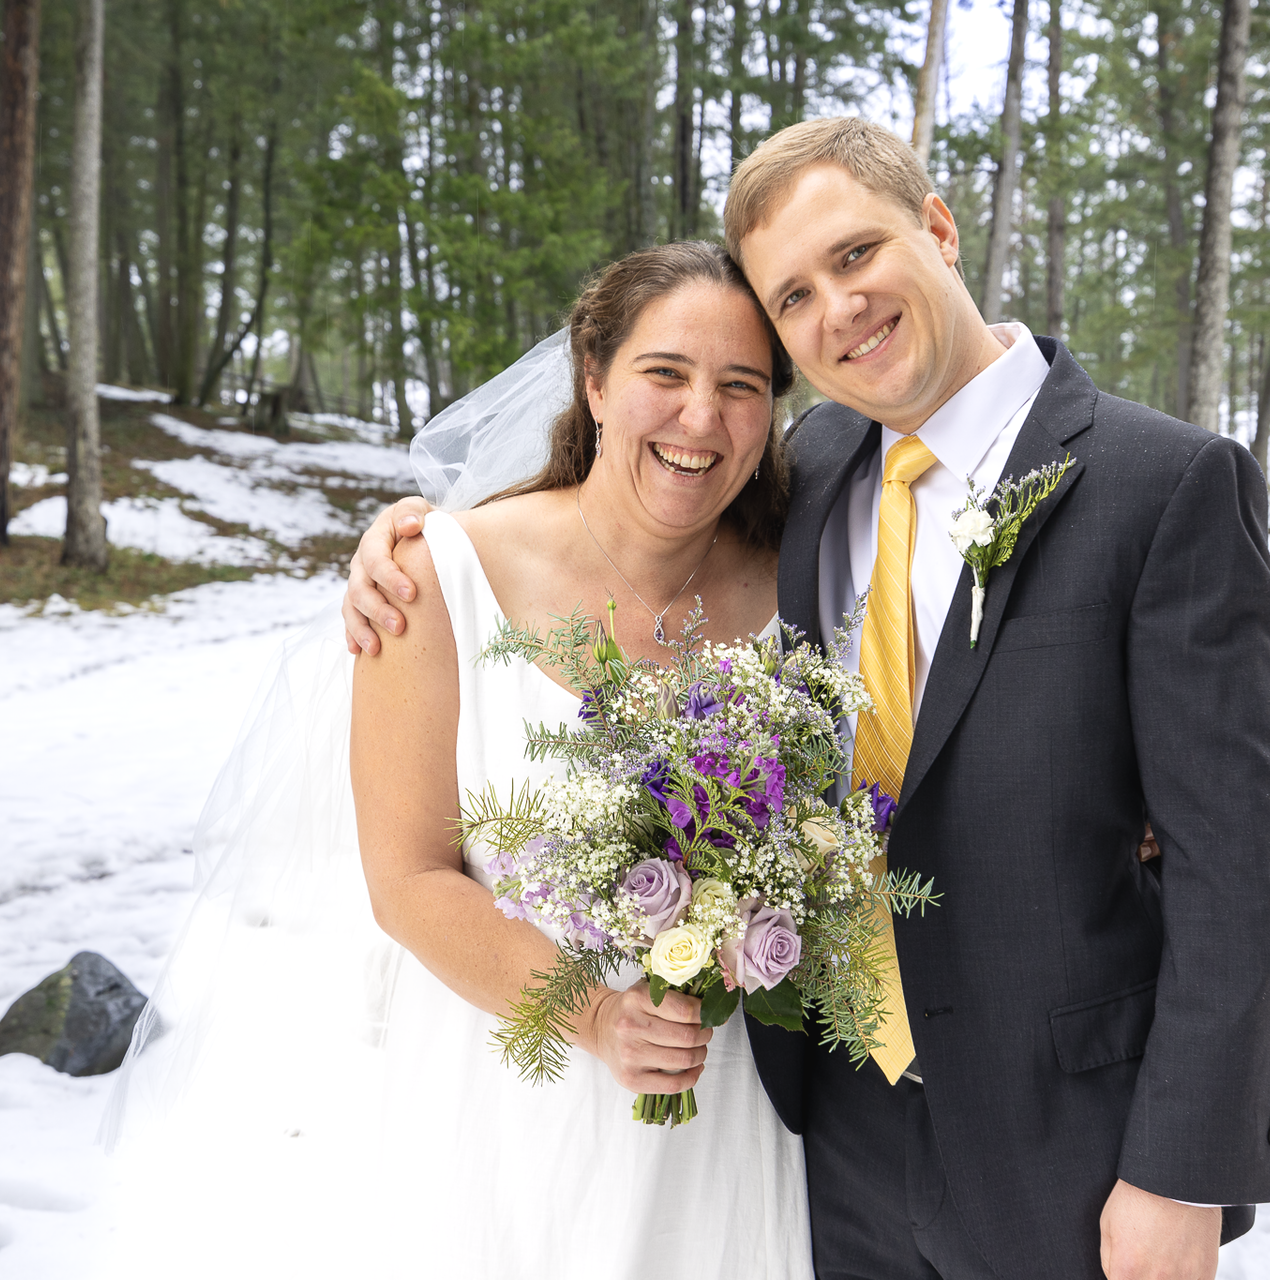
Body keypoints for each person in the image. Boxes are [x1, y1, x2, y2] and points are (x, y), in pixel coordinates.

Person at [346, 118, 1270, 1280]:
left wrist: (1181, 1170)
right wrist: (407, 535)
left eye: (856, 255)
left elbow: (1241, 865)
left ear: (938, 227)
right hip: (827, 1134)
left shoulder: (1165, 485)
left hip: (1067, 1145)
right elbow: (633, 500)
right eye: (793, 295)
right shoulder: (819, 476)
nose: (837, 309)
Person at [99, 242, 811, 1280]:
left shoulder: (809, 578)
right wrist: (601, 1016)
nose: (702, 417)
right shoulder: (437, 576)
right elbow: (408, 879)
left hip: (733, 1116)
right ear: (595, 377)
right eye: (666, 374)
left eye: (741, 386)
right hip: (510, 1114)